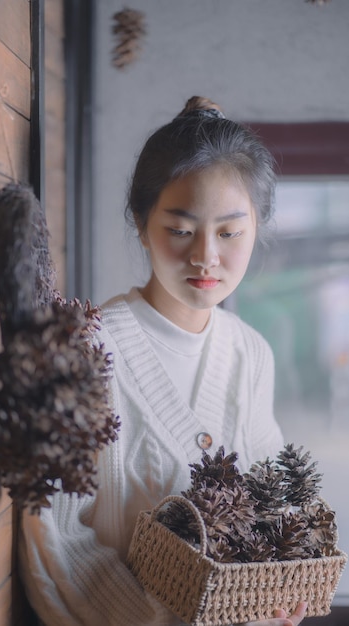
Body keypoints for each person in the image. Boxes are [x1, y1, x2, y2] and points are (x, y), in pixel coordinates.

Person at [18, 96, 308, 626]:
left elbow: (275, 501)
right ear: (141, 220)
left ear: (258, 226)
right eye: (179, 229)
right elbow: (57, 534)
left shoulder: (251, 355)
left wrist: (276, 590)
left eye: (229, 232)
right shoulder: (87, 351)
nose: (205, 256)